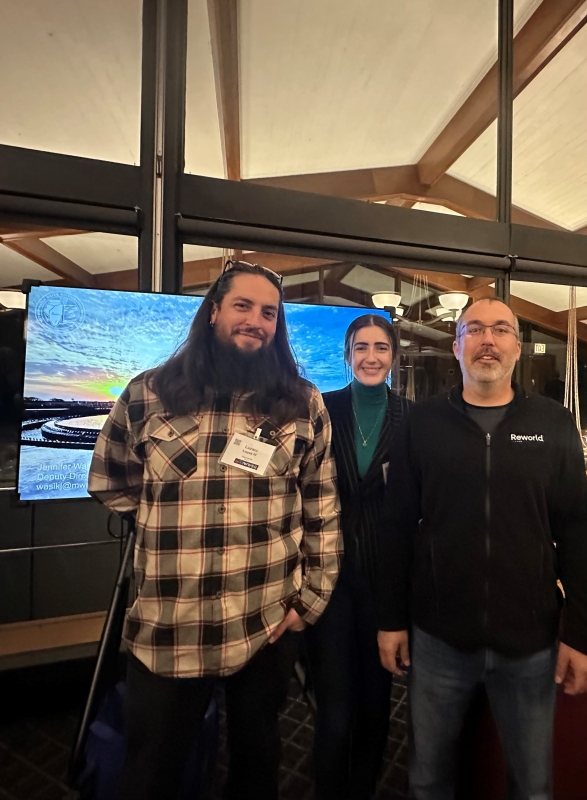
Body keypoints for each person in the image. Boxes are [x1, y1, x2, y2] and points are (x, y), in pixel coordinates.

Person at [88, 260, 342, 800]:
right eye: (243, 306)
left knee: (257, 765)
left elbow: (321, 508)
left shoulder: (302, 404)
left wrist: (310, 601)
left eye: (269, 313)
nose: (256, 321)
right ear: (212, 313)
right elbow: (111, 481)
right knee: (151, 773)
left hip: (265, 621)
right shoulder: (147, 394)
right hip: (171, 626)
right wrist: (170, 526)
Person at [377, 298, 587, 800]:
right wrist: (390, 620)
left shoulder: (554, 423)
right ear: (457, 347)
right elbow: (396, 527)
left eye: (500, 330)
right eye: (474, 329)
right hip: (438, 639)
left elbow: (579, 532)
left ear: (517, 347)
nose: (487, 340)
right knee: (427, 780)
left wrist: (580, 633)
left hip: (530, 642)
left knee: (532, 786)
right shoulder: (423, 424)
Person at [305, 314, 411, 800]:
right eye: (361, 347)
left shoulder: (413, 419)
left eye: (381, 347)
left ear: (393, 356)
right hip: (327, 579)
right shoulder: (321, 410)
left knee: (376, 706)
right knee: (334, 710)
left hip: (387, 582)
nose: (371, 357)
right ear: (347, 356)